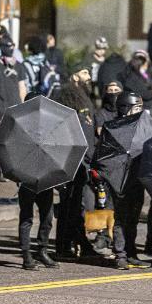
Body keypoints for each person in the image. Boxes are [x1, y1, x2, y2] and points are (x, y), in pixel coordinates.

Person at [54, 64, 97, 260]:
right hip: (70, 157)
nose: (88, 76)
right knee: (68, 205)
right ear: (74, 76)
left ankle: (81, 242)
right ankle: (63, 246)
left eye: (89, 72)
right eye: (84, 72)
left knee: (78, 205)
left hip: (85, 157)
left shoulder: (85, 94)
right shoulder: (66, 94)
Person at [108, 92, 150, 270]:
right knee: (121, 218)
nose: (140, 111)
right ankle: (120, 254)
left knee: (133, 219)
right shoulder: (112, 127)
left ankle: (131, 253)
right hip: (119, 180)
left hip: (137, 178)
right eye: (137, 108)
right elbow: (105, 157)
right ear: (125, 108)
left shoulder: (142, 126)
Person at [0, 38, 26, 115]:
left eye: (13, 46)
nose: (11, 48)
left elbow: (22, 89)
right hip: (0, 110)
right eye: (8, 46)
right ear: (2, 47)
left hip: (17, 110)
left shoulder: (19, 66)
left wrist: (23, 108)